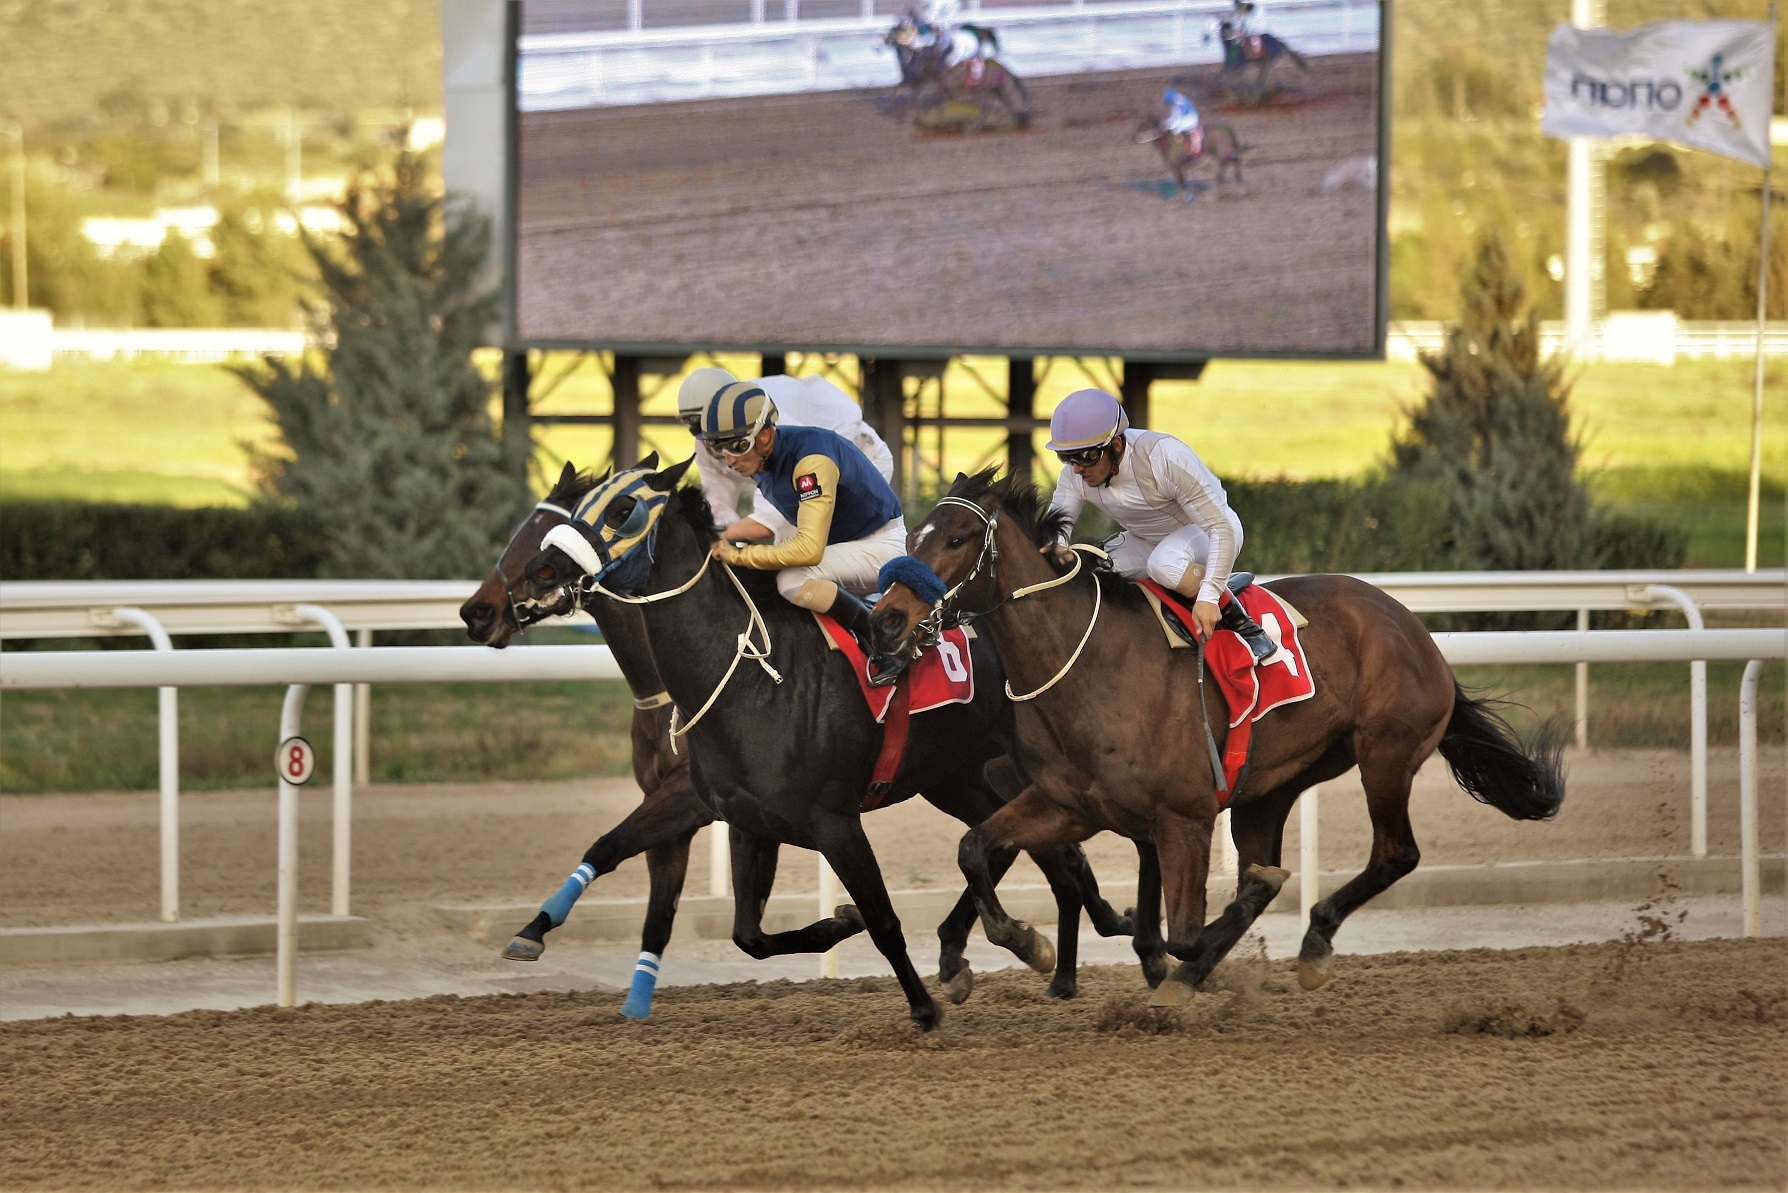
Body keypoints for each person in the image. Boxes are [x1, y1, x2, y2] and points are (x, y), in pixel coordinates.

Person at [1044, 387, 1274, 661]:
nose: (1078, 469)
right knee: (1090, 567)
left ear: (1116, 445)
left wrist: (1210, 596)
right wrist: (1055, 552)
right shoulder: (1074, 475)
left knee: (1163, 564)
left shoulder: (1164, 456)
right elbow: (1056, 530)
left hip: (1210, 533)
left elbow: (1220, 527)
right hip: (1148, 541)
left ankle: (1246, 627)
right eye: (1067, 457)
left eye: (1086, 457)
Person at [697, 380, 907, 640]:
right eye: (719, 448)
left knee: (790, 580)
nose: (729, 460)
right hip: (848, 545)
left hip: (881, 546)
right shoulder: (764, 459)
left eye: (737, 446)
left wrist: (739, 555)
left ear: (764, 436)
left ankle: (886, 637)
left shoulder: (810, 461)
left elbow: (809, 549)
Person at [677, 366, 894, 547]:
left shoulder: (766, 425)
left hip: (861, 458)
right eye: (699, 431)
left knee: (807, 549)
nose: (710, 445)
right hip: (810, 471)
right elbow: (719, 509)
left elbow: (768, 521)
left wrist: (716, 541)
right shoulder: (706, 443)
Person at [1161, 86, 1203, 155]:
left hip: (1183, 117)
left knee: (1172, 124)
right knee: (1172, 124)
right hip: (1184, 118)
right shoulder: (1192, 122)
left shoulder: (1192, 122)